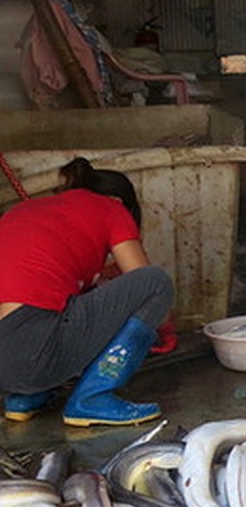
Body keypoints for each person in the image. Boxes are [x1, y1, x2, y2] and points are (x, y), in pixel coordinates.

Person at [0, 157, 175, 426]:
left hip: (13, 360)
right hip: (29, 352)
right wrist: (160, 328)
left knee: (54, 307)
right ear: (119, 201)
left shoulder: (26, 211)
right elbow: (140, 276)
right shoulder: (112, 209)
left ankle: (24, 397)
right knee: (156, 282)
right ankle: (92, 397)